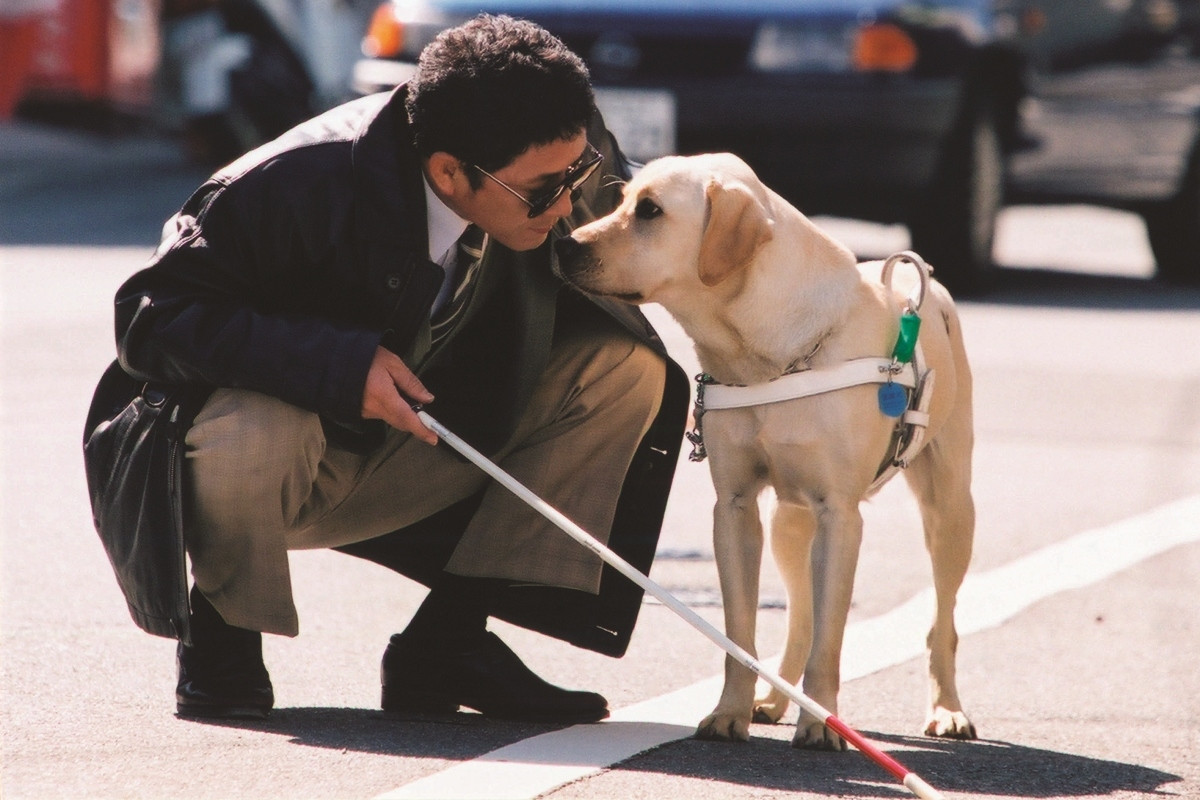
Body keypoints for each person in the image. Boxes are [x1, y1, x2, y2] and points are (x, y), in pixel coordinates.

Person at [106, 13, 688, 723]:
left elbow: (668, 234)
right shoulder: (294, 183)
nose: (568, 204)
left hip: (430, 447)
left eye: (579, 172)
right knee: (257, 423)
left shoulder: (553, 147)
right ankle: (222, 635)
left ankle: (446, 645)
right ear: (449, 171)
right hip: (284, 466)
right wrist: (338, 365)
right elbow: (148, 316)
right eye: (542, 190)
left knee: (625, 369)